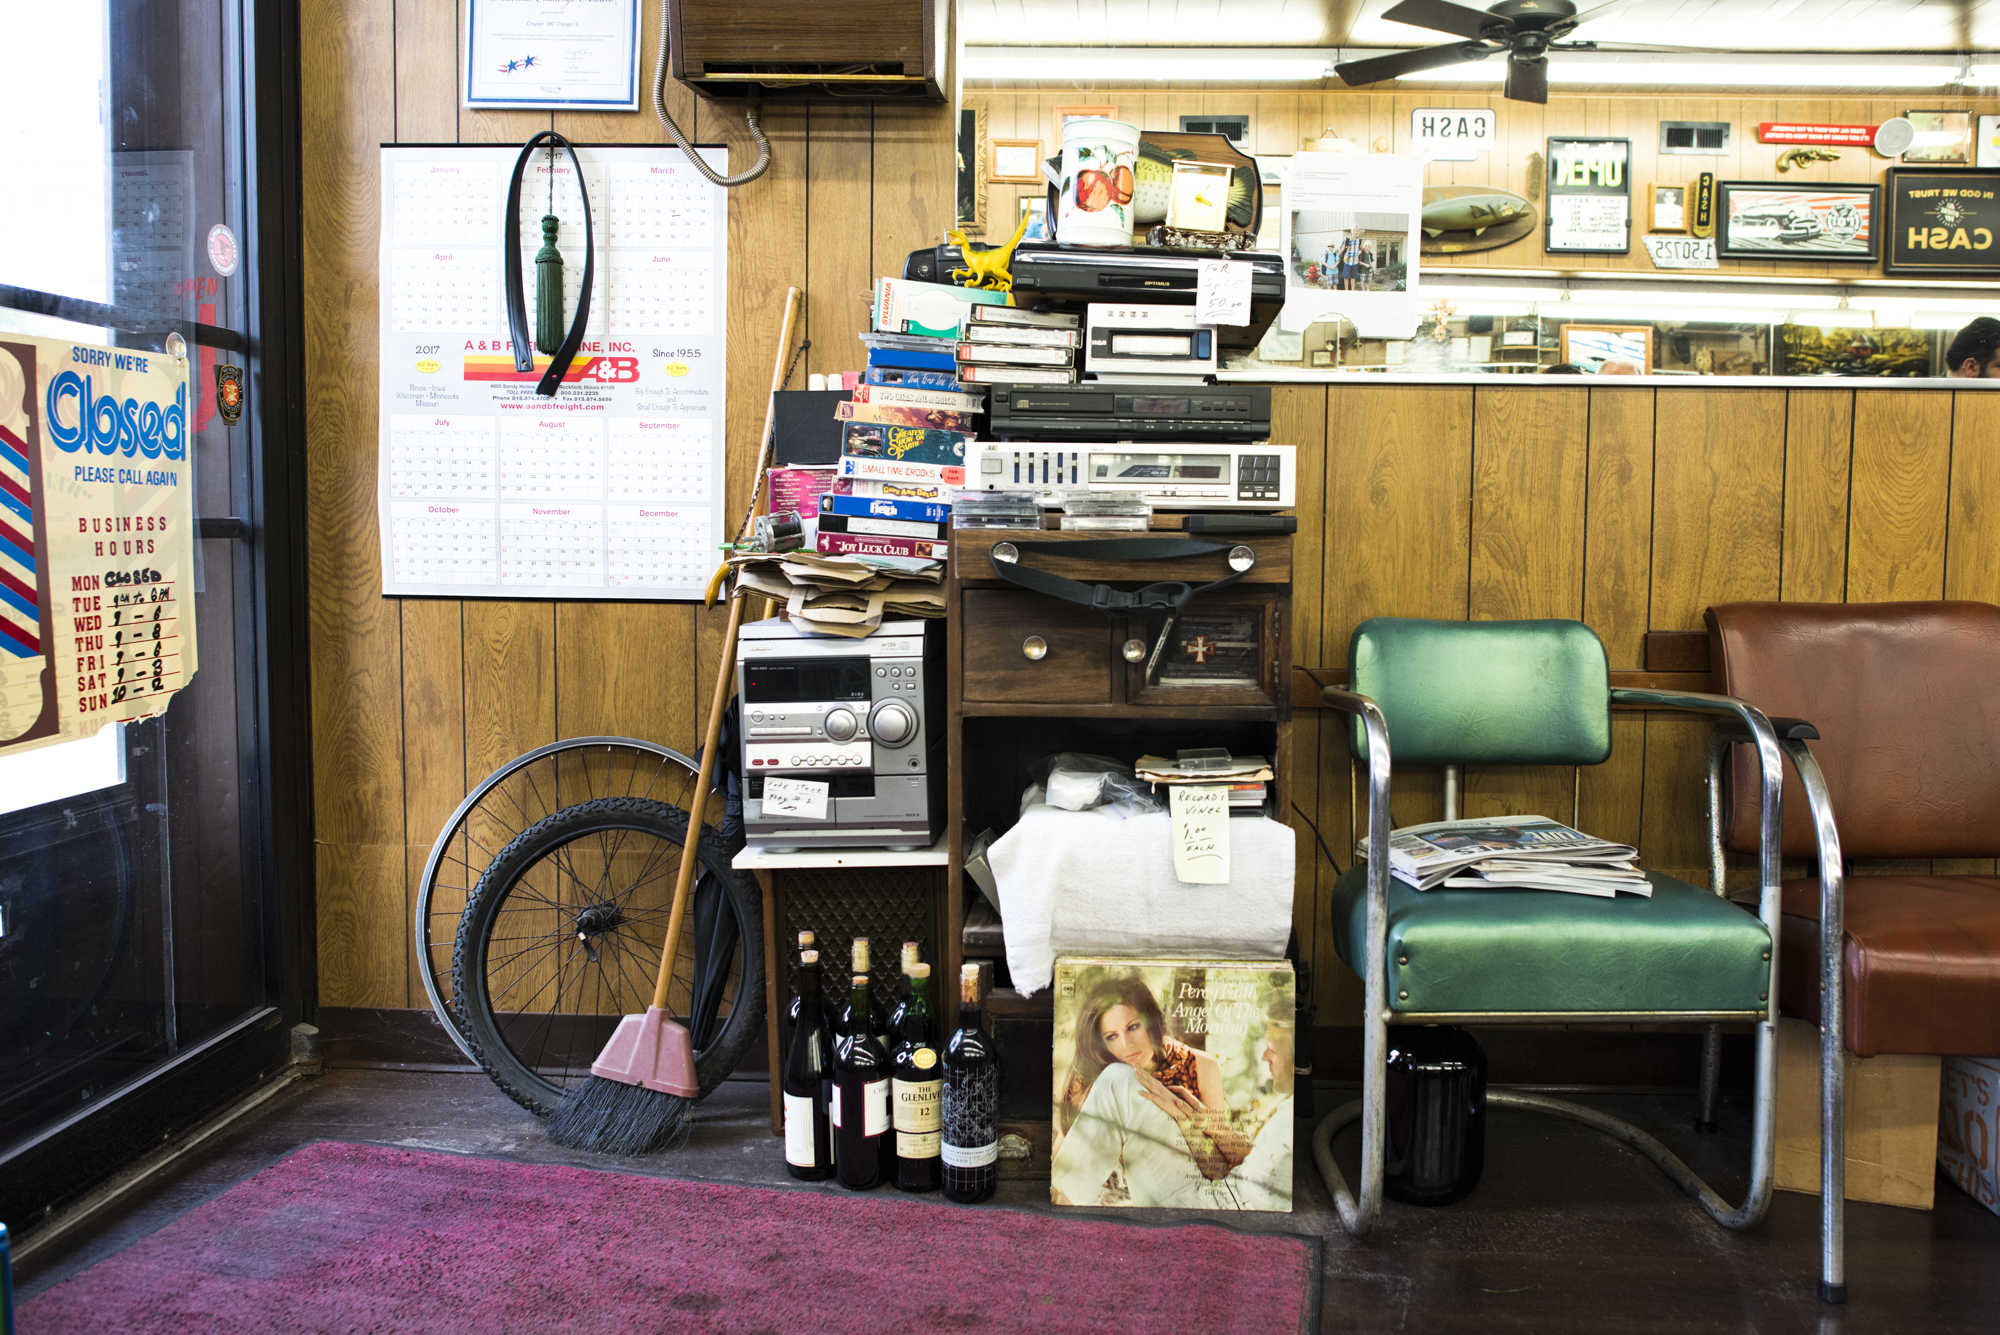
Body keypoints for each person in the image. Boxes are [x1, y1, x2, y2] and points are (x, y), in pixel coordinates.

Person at [1051, 976, 1251, 1204]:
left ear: (1152, 1022)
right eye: (1111, 1037)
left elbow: (1218, 1173)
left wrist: (1182, 1117)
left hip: (1185, 1196)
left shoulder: (1199, 1067)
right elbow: (1067, 1156)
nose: (1127, 1046)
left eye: (1133, 1027)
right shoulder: (1101, 1076)